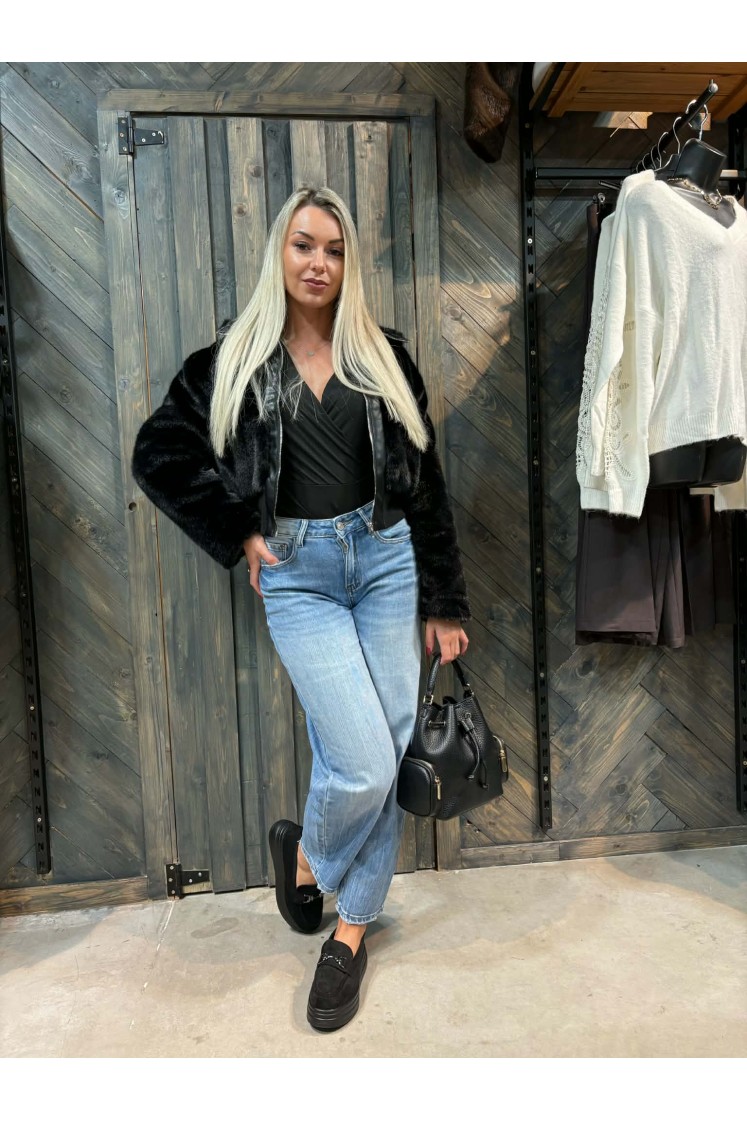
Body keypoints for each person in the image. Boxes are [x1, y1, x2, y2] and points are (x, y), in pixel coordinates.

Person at [131, 185, 471, 1033]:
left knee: (388, 750)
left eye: (334, 249)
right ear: (278, 254)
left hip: (386, 561)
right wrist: (238, 530)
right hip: (298, 574)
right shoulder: (232, 360)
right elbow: (158, 452)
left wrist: (443, 600)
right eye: (304, 245)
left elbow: (424, 484)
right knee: (361, 762)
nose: (319, 263)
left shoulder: (382, 356)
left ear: (349, 263)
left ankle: (346, 926)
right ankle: (312, 859)